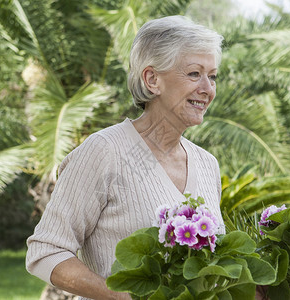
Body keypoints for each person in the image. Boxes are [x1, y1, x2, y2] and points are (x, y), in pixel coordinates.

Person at [26, 15, 225, 300]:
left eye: (213, 76)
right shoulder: (104, 152)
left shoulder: (207, 165)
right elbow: (45, 252)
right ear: (152, 79)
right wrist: (125, 297)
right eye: (194, 74)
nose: (208, 89)